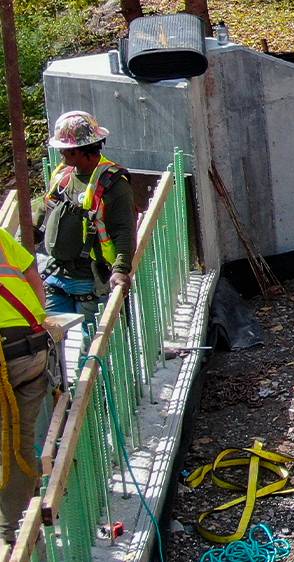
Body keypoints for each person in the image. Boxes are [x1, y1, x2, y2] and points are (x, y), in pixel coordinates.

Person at [37, 111, 135, 325]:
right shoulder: (63, 174)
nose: (61, 152)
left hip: (89, 280)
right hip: (55, 275)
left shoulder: (114, 183)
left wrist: (120, 270)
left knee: (91, 349)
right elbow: (44, 209)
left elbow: (124, 230)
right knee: (50, 344)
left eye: (65, 149)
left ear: (79, 150)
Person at [0, 228, 51, 545]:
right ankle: (23, 514)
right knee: (22, 434)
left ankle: (8, 533)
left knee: (7, 440)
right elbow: (31, 272)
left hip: (5, 355)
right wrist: (41, 318)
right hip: (33, 344)